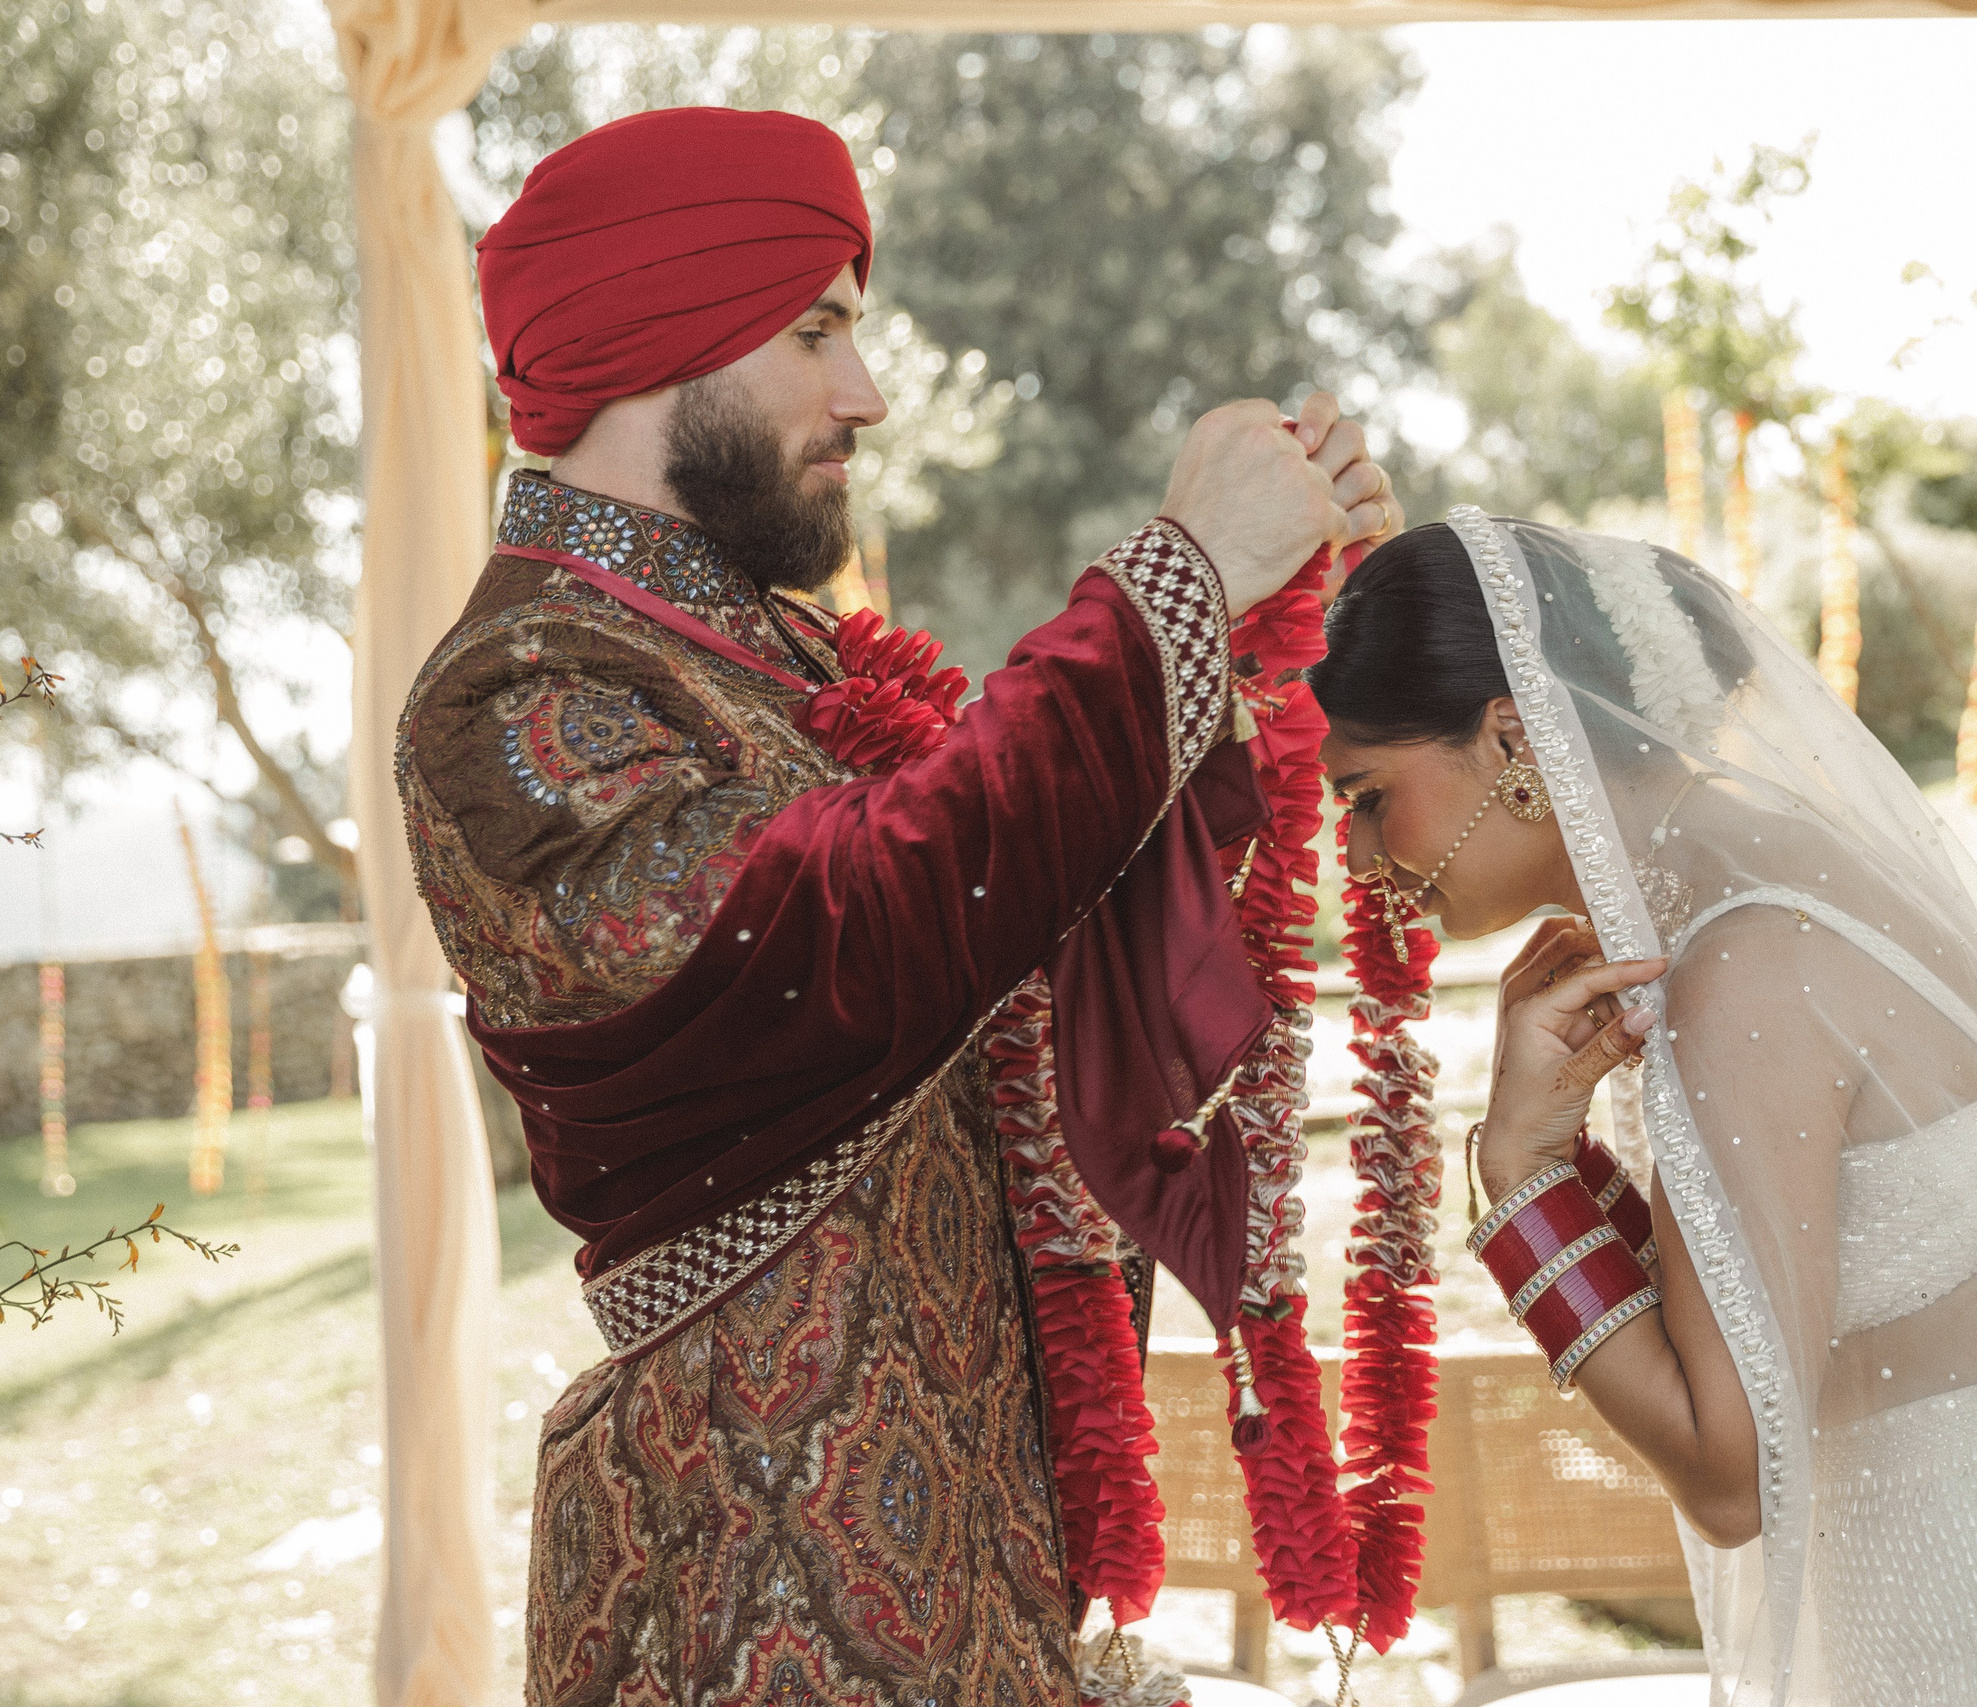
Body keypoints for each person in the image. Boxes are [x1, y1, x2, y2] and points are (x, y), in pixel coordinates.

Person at [395, 106, 1398, 1704]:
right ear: (668, 336)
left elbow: (1028, 938)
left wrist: (1263, 633)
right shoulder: (522, 690)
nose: (863, 394)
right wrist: (1179, 580)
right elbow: (853, 930)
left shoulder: (778, 664)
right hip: (748, 1572)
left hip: (969, 1565)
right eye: (817, 330)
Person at [1306, 514, 1977, 1706]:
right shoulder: (1797, 874)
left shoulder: (1741, 967)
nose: (1358, 854)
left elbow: (1728, 1477)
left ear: (1509, 736)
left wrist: (1523, 1179)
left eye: (1367, 794)